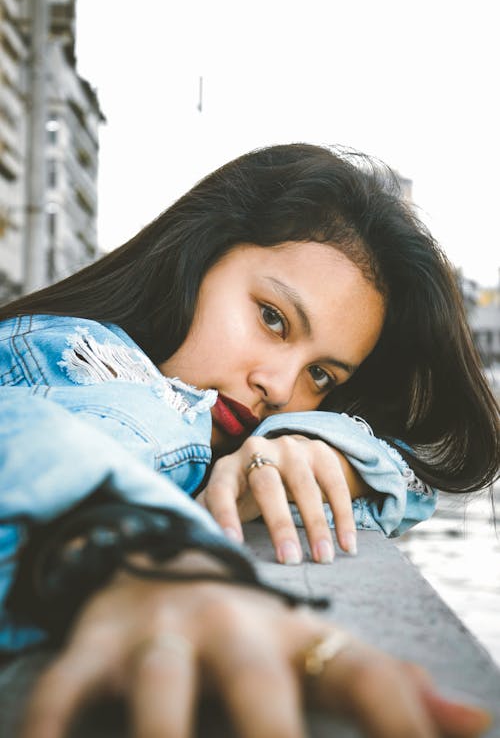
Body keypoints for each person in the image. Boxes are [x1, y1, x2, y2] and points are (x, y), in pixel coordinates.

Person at [0, 143, 498, 736]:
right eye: (272, 318)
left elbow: (423, 463)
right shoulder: (63, 351)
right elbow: (67, 437)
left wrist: (322, 451)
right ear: (198, 255)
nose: (281, 387)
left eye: (322, 376)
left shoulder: (237, 424)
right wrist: (144, 558)